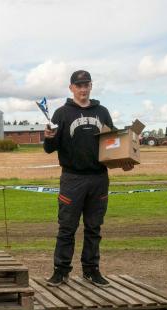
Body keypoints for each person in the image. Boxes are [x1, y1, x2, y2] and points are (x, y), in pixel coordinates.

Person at [43, 70, 133, 287]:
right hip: (72, 179)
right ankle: (61, 270)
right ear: (71, 88)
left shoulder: (102, 112)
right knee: (67, 227)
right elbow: (49, 148)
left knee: (94, 228)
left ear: (91, 86)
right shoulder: (61, 113)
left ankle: (91, 270)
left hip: (99, 178)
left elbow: (112, 145)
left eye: (86, 85)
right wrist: (47, 138)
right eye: (78, 85)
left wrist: (124, 160)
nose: (83, 89)